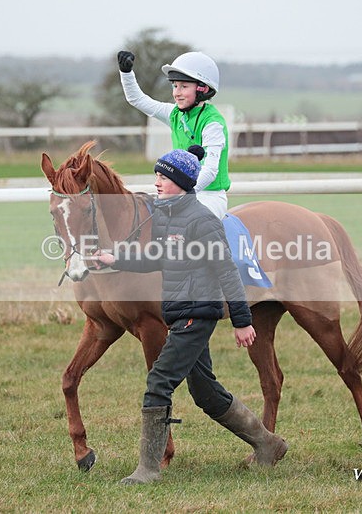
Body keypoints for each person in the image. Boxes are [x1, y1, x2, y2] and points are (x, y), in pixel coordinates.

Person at [96, 149, 287, 485]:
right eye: (156, 176)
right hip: (179, 313)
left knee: (158, 382)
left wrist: (243, 321)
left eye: (164, 178)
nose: (156, 182)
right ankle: (268, 444)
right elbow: (156, 256)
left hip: (196, 314)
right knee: (206, 393)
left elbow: (227, 270)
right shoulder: (166, 217)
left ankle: (147, 470)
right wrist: (116, 258)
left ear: (182, 184)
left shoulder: (201, 220)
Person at [117, 50, 231, 219]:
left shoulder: (213, 123)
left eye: (184, 87)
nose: (176, 93)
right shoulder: (174, 113)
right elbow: (137, 99)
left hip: (210, 196)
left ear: (203, 89)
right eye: (175, 86)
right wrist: (126, 73)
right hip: (179, 194)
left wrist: (183, 192)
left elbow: (210, 171)